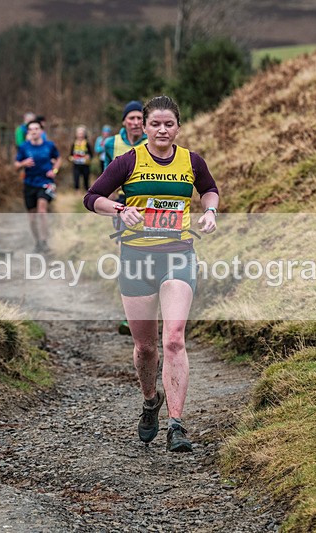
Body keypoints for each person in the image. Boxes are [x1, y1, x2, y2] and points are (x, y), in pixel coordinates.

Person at [83, 95, 220, 453]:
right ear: (143, 127)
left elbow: (209, 189)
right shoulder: (127, 161)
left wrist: (210, 212)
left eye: (169, 124)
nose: (162, 130)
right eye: (155, 124)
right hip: (136, 259)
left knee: (174, 338)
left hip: (178, 254)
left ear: (177, 127)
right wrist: (116, 207)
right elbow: (92, 196)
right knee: (145, 346)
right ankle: (150, 401)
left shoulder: (192, 161)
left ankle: (176, 424)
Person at [104, 101, 148, 335]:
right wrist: (112, 207)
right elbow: (106, 175)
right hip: (123, 203)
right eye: (131, 118)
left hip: (149, 204)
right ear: (124, 121)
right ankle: (131, 314)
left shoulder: (152, 141)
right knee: (128, 254)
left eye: (139, 118)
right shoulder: (112, 143)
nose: (135, 122)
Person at [15, 120, 62, 253]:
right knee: (32, 217)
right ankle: (37, 242)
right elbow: (16, 165)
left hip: (46, 182)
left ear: (41, 131)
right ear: (28, 132)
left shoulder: (49, 145)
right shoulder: (24, 147)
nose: (34, 131)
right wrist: (23, 163)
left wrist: (54, 171)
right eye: (31, 129)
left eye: (36, 129)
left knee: (42, 210)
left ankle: (45, 241)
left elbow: (58, 159)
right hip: (29, 183)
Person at [69, 125, 93, 190]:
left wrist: (89, 157)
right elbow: (70, 154)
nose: (80, 135)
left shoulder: (86, 143)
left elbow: (91, 154)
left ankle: (86, 192)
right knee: (76, 178)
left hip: (85, 164)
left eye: (81, 133)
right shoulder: (74, 143)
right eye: (79, 133)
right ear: (76, 134)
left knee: (86, 179)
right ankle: (77, 191)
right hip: (76, 164)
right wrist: (72, 158)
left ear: (84, 134)